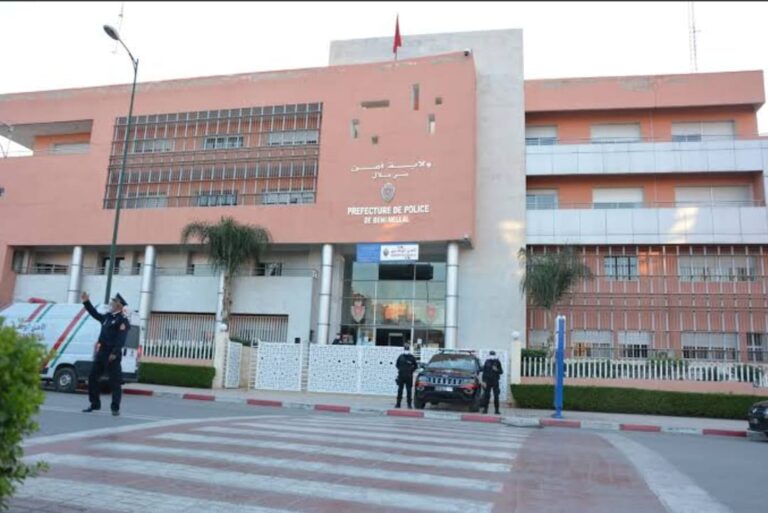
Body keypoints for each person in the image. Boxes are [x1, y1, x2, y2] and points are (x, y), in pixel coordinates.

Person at [80, 291, 130, 416]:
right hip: (102, 352)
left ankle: (115, 408)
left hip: (112, 354)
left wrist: (115, 352)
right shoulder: (107, 317)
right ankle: (95, 404)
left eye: (113, 302)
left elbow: (121, 338)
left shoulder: (122, 320)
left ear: (119, 305)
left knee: (115, 382)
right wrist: (86, 302)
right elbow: (94, 313)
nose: (111, 304)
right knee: (92, 377)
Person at [481, 350, 504, 415]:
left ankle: (497, 410)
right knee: (486, 396)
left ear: (495, 355)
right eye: (491, 355)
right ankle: (485, 409)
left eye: (493, 355)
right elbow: (484, 372)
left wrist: (496, 370)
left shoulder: (497, 362)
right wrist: (484, 381)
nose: (492, 356)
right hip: (487, 381)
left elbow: (501, 371)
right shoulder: (487, 361)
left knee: (496, 396)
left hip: (495, 381)